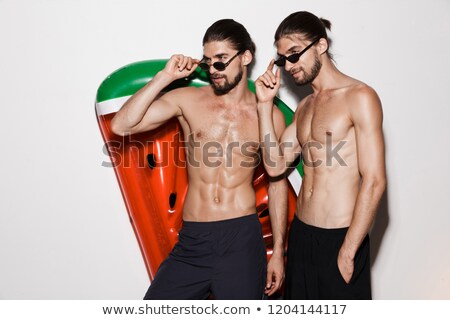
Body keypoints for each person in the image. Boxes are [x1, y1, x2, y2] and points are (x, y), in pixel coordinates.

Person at [111, 19, 288, 299]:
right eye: (208, 63)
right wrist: (164, 77)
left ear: (245, 57)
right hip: (194, 240)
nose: (214, 71)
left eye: (221, 61)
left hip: (241, 239)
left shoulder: (269, 114)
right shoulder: (189, 100)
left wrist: (278, 251)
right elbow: (121, 125)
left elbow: (277, 183)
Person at [255, 11, 386, 299]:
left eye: (294, 54)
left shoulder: (360, 97)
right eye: (282, 59)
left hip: (340, 239)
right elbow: (275, 166)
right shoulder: (305, 108)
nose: (289, 66)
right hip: (301, 236)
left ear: (321, 46)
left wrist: (349, 250)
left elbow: (374, 180)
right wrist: (264, 106)